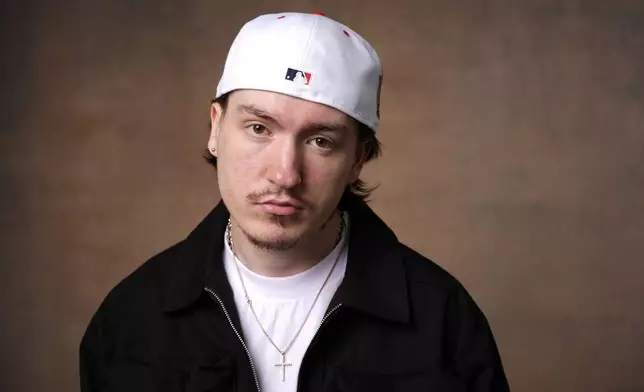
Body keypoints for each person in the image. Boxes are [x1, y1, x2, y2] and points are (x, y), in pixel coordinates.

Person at [80, 12, 510, 392]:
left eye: (321, 141)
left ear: (358, 158)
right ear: (216, 128)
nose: (285, 175)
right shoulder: (132, 318)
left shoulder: (443, 320)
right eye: (259, 129)